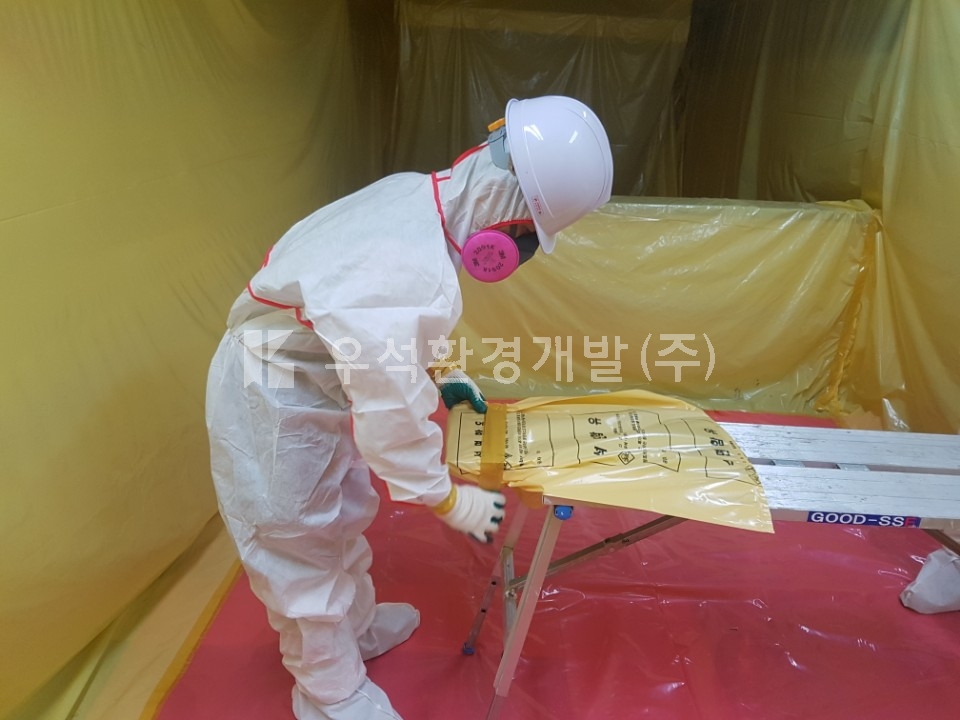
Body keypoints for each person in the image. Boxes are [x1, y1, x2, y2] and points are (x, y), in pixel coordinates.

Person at [205, 95, 613, 720]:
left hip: (314, 375)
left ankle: (357, 626)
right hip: (273, 394)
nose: (519, 251)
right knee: (298, 541)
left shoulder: (420, 198)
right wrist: (445, 497)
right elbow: (391, 408)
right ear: (510, 219)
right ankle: (329, 691)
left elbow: (388, 320)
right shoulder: (407, 263)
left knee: (342, 510)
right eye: (529, 238)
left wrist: (444, 372)